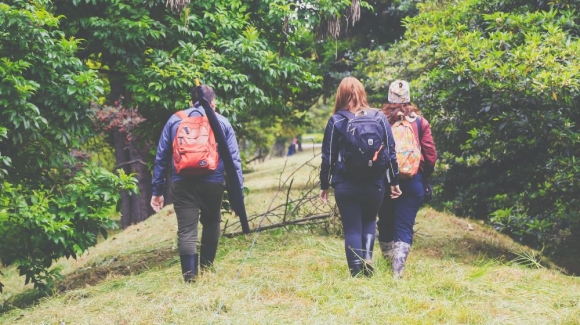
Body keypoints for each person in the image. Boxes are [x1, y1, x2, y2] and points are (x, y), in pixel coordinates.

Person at [150, 85, 243, 283]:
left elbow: (161, 157)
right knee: (211, 222)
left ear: (191, 101)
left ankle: (190, 279)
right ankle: (206, 269)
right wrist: (237, 196)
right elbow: (234, 161)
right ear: (213, 103)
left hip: (182, 182)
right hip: (213, 182)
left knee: (186, 229)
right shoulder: (222, 122)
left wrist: (157, 191)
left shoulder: (175, 120)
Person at [319, 77, 401, 277]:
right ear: (362, 93)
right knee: (369, 221)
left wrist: (324, 185)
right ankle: (367, 258)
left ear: (340, 95)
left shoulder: (336, 120)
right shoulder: (379, 117)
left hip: (346, 184)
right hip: (375, 183)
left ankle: (357, 273)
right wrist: (394, 181)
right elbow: (390, 152)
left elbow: (327, 157)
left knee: (352, 228)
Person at [378, 80, 438, 278]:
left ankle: (388, 261)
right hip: (413, 182)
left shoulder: (381, 120)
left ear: (389, 97)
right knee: (404, 225)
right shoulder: (420, 122)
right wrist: (421, 175)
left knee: (385, 221)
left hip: (386, 180)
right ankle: (397, 271)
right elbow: (430, 156)